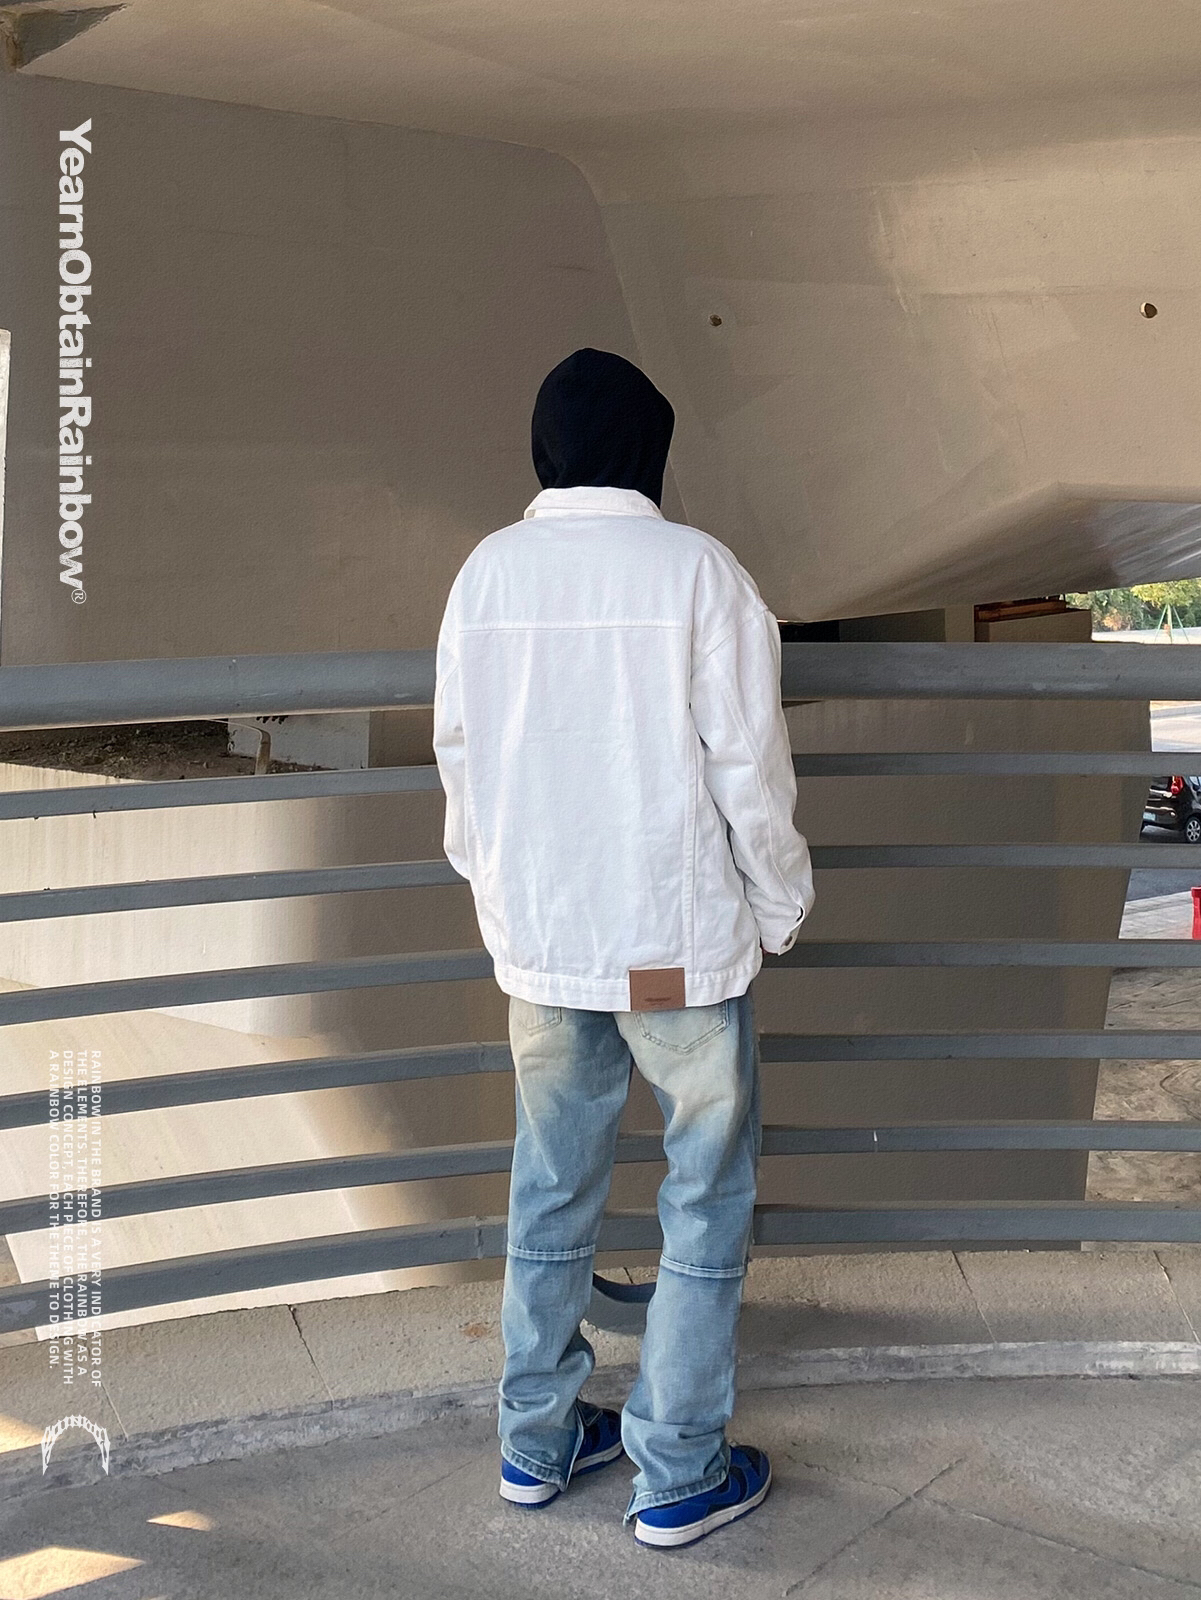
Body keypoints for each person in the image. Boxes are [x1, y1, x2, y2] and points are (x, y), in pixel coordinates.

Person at [432, 347, 814, 1549]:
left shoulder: (485, 574)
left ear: (541, 450)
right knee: (703, 1195)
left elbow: (460, 760)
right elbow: (747, 768)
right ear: (653, 452)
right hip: (674, 948)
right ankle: (678, 1465)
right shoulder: (698, 571)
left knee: (550, 1182)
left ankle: (535, 1440)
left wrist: (500, 894)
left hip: (545, 941)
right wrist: (780, 905)